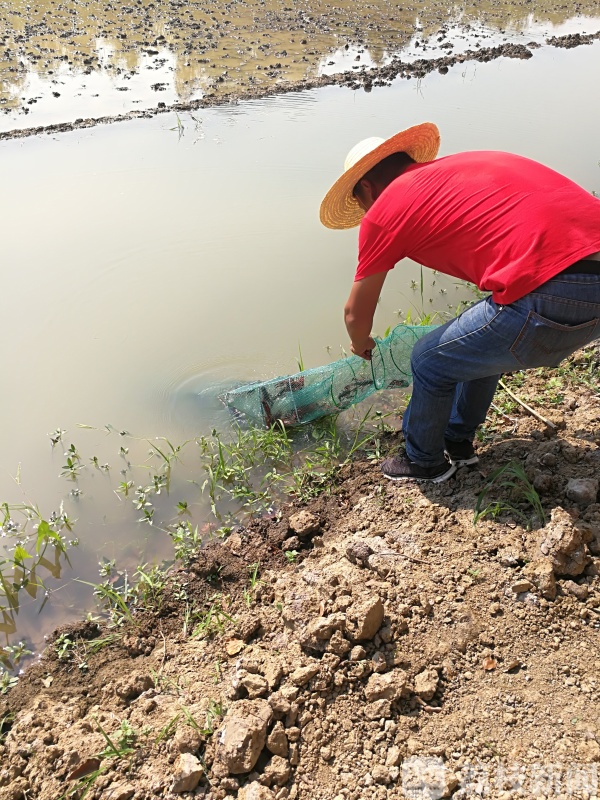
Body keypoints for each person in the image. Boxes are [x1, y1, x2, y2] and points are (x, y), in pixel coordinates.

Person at [319, 122, 600, 483]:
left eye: (360, 204)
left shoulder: (385, 207)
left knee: (428, 360)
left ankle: (423, 461)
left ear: (367, 188)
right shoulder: (464, 167)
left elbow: (355, 313)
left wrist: (362, 344)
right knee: (472, 346)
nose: (364, 214)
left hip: (551, 292)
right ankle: (457, 439)